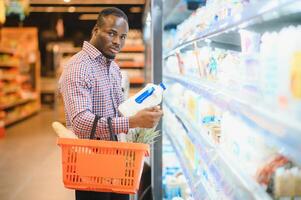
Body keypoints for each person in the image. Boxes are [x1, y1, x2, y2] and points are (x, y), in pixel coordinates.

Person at [59, 7, 163, 200]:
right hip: (90, 166)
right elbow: (81, 122)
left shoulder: (113, 68)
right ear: (95, 31)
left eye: (123, 37)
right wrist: (133, 122)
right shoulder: (78, 68)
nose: (117, 41)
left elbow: (118, 112)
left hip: (117, 162)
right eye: (111, 33)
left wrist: (142, 117)